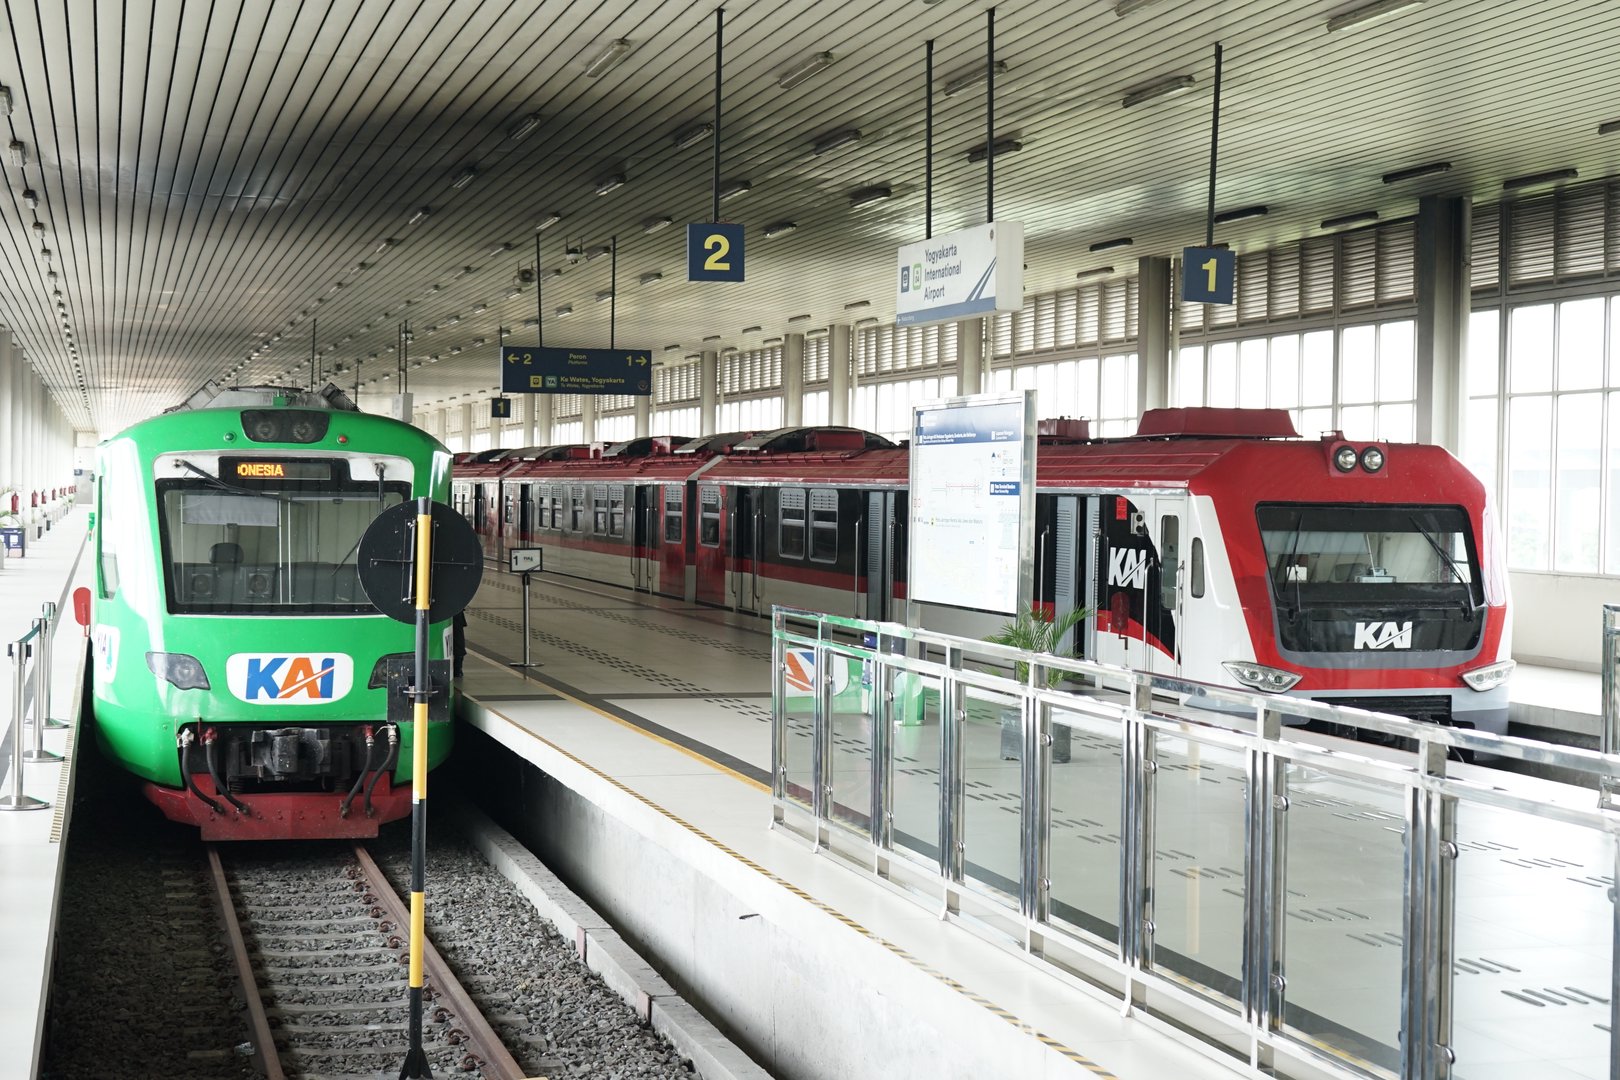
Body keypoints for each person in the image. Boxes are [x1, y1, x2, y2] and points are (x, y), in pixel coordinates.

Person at [452, 610, 467, 678]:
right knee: (458, 638)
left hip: (454, 613)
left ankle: (458, 668)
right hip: (456, 611)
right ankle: (458, 669)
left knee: (458, 639)